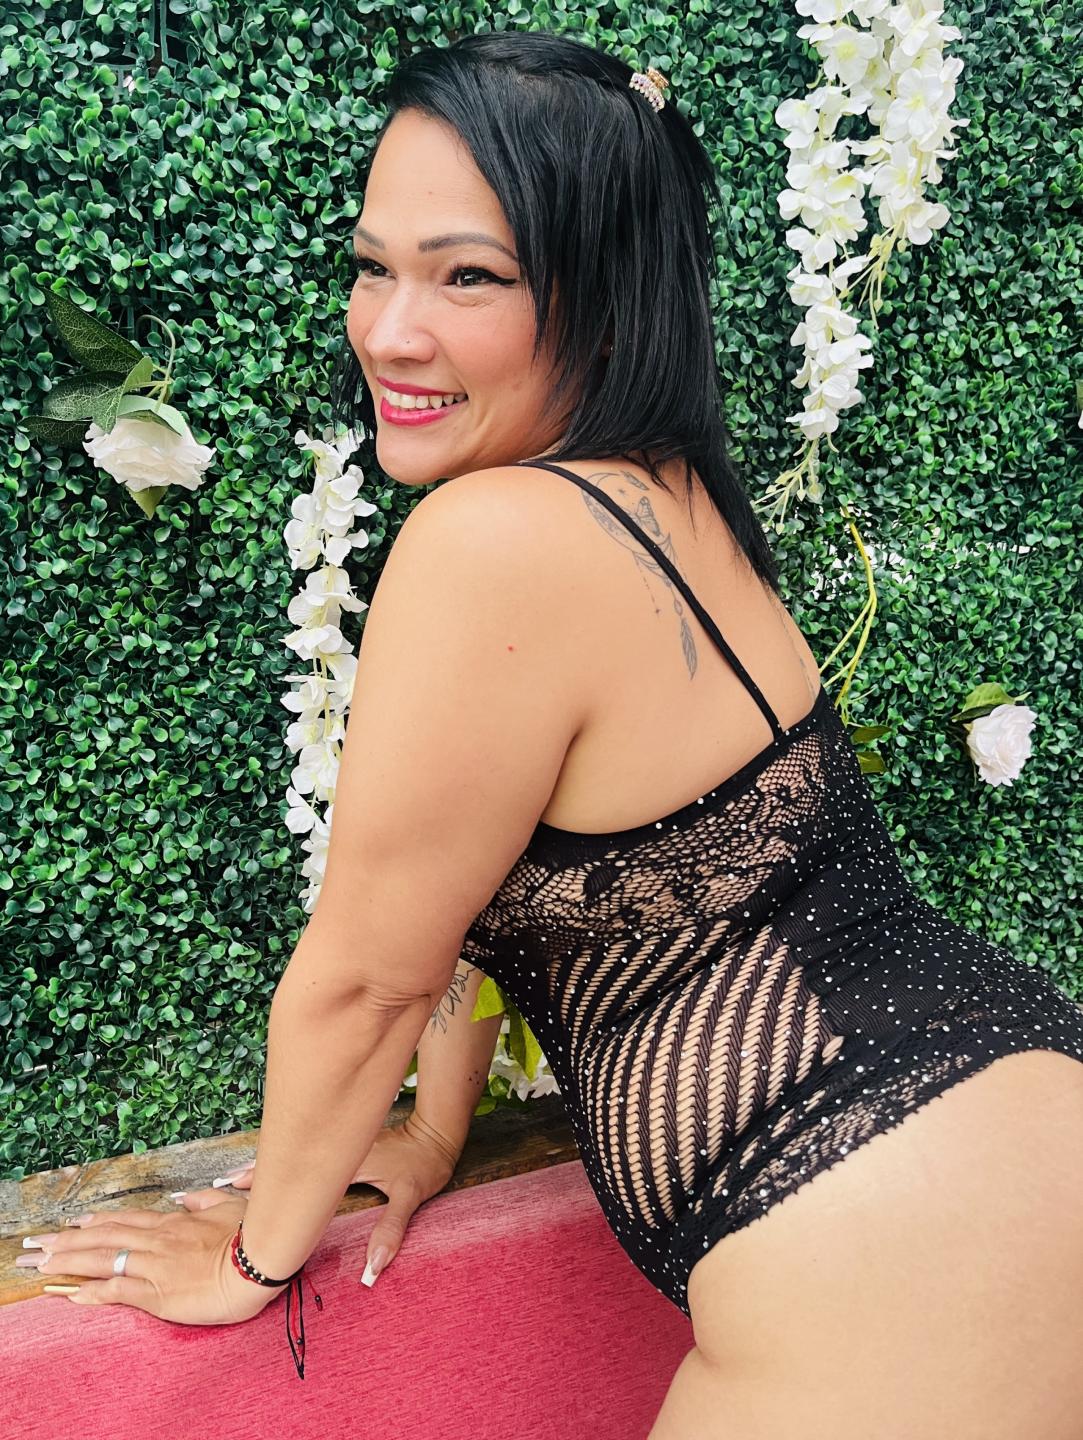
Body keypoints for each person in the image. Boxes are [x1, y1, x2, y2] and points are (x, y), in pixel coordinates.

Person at [27, 31, 1083, 1437]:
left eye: (468, 276)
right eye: (372, 266)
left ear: (602, 298)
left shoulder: (496, 540)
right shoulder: (663, 494)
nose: (389, 331)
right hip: (1001, 1127)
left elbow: (367, 979)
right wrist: (434, 1127)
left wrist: (250, 1260)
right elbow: (489, 870)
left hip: (899, 1256)